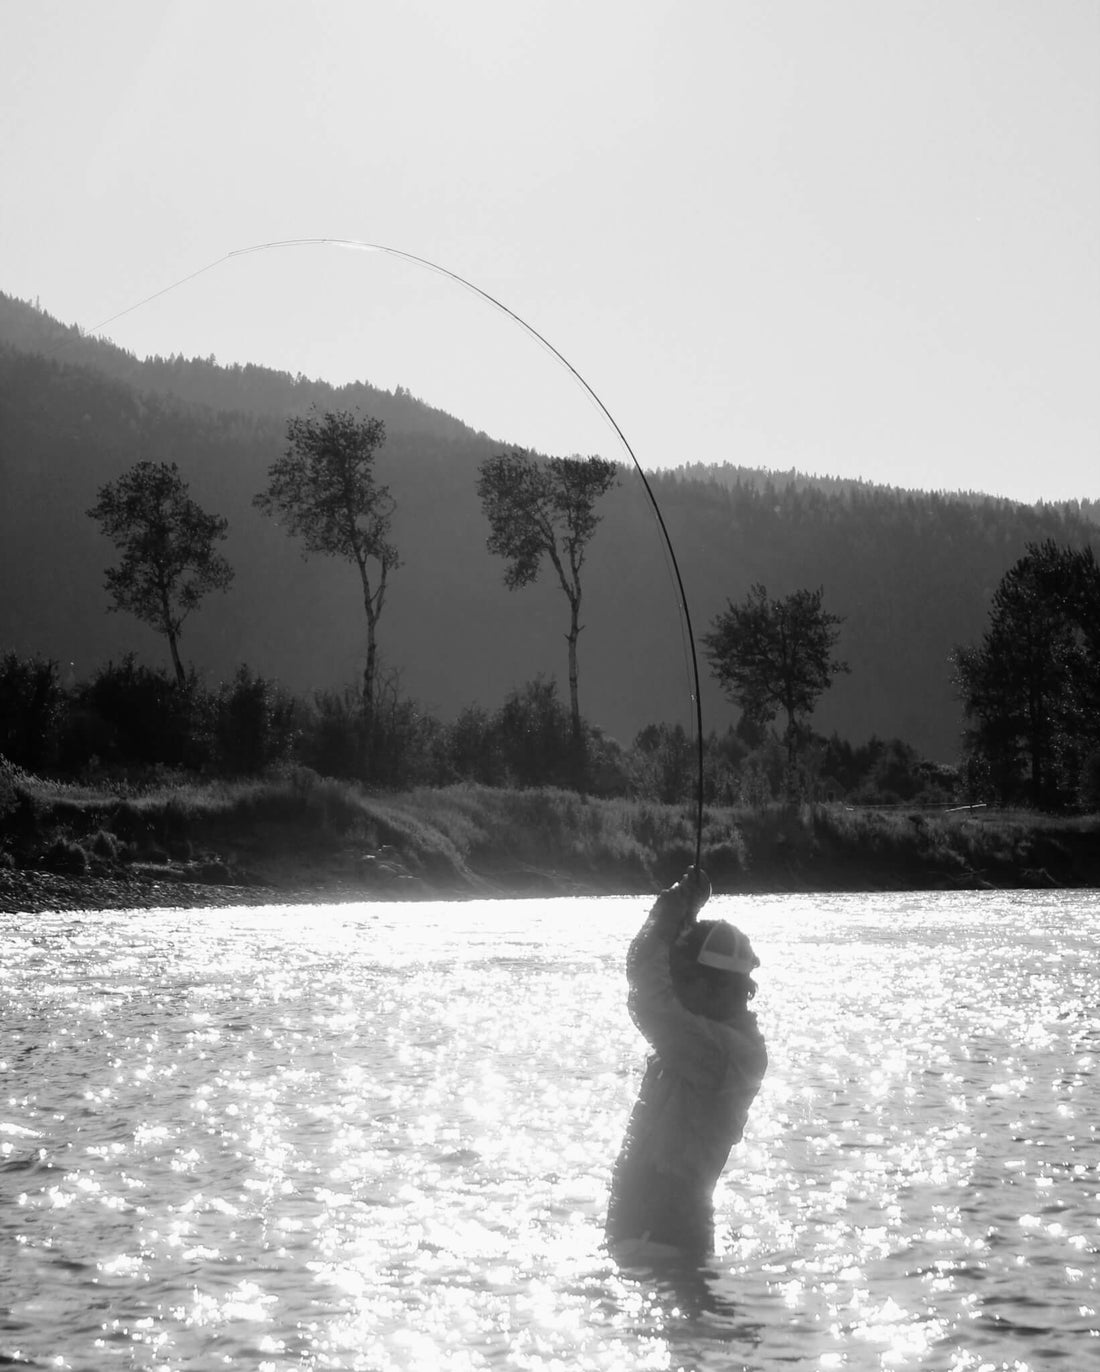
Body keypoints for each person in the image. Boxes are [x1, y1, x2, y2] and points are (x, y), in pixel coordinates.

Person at [605, 867, 768, 1263]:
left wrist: (670, 908)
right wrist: (685, 916)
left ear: (718, 987)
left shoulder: (724, 1051)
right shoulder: (706, 1034)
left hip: (662, 1236)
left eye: (683, 979)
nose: (674, 988)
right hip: (648, 1232)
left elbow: (648, 998)